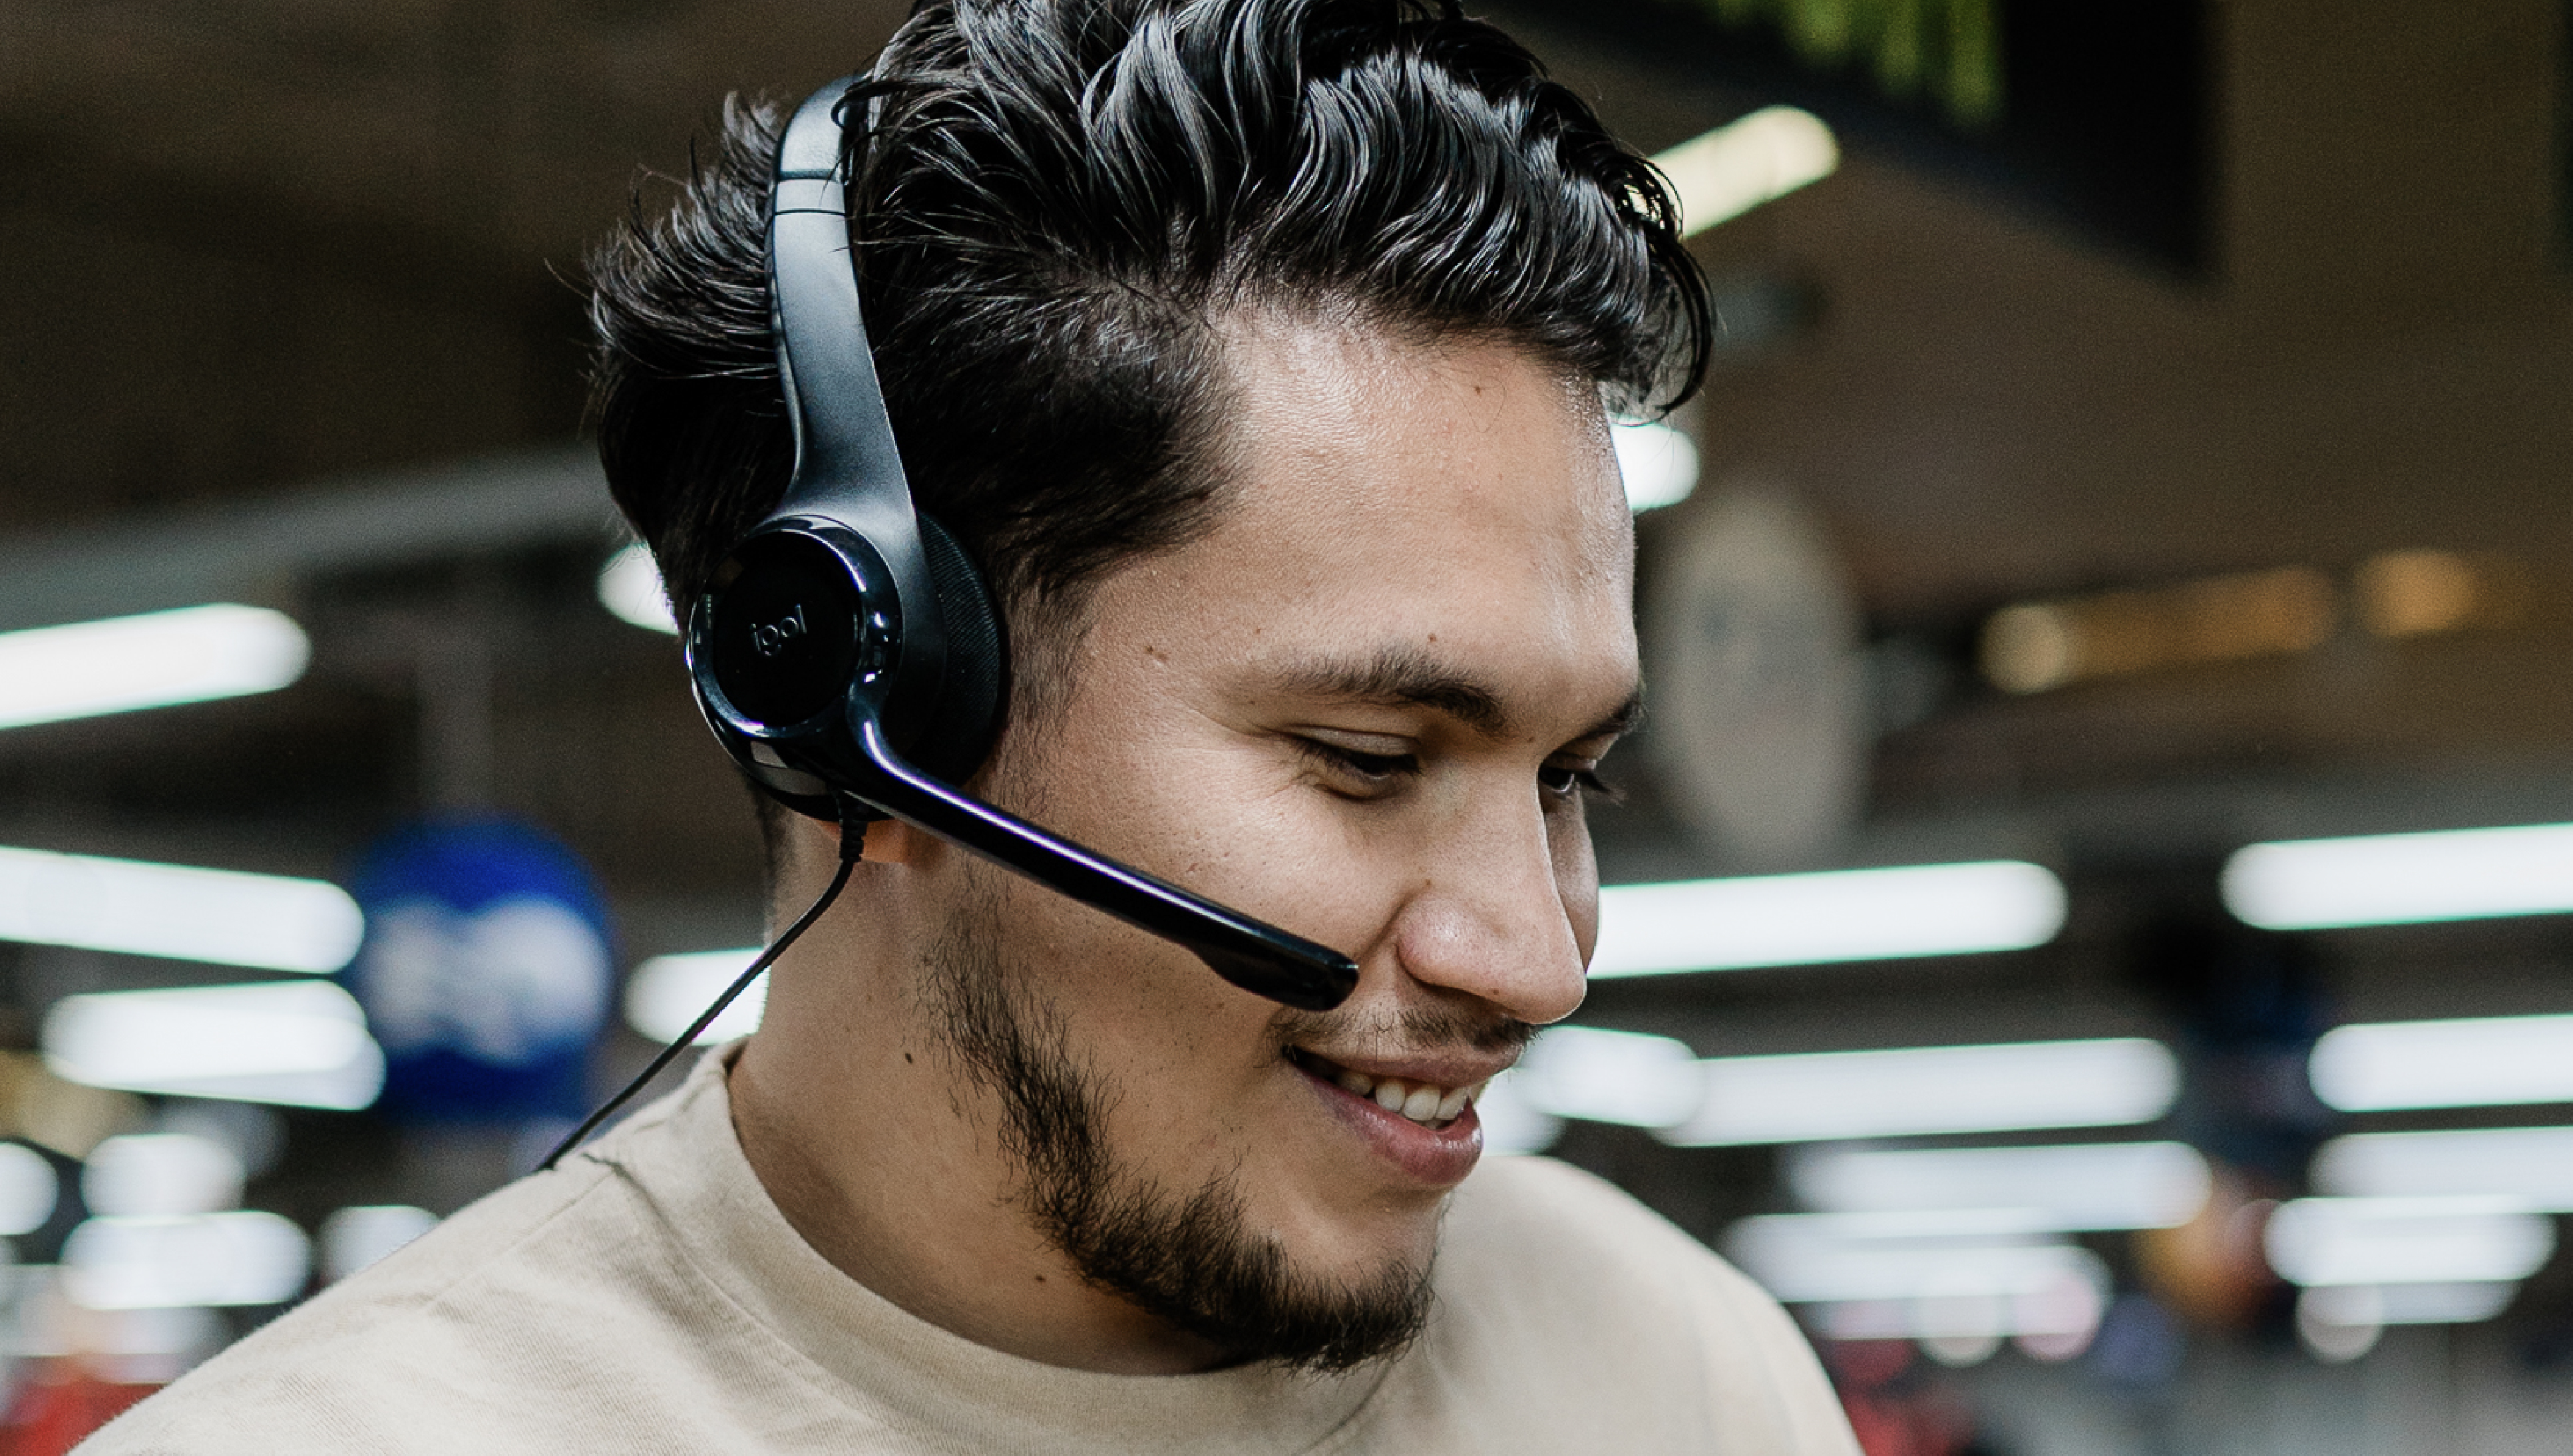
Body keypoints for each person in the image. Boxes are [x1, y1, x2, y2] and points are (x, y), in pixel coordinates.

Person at [87, 1, 1857, 1450]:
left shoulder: (1684, 1377)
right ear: (881, 714)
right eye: (1368, 761)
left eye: (1571, 776)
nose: (1538, 961)